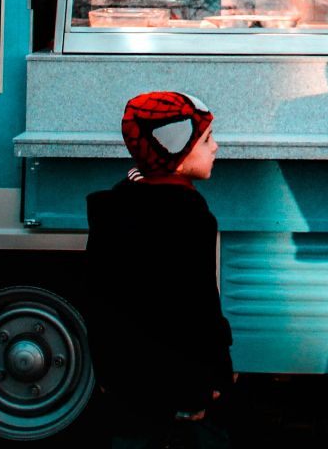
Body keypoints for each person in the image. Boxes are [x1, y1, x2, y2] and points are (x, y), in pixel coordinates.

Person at [84, 92, 234, 448]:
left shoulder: (116, 206)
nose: (216, 147)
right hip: (176, 383)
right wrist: (212, 378)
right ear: (177, 156)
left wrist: (105, 370)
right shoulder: (191, 218)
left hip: (123, 381)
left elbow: (98, 297)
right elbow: (199, 309)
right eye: (207, 140)